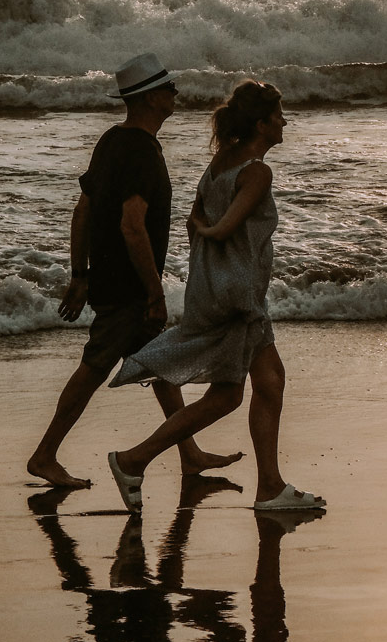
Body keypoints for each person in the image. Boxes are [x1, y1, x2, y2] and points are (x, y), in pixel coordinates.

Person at [106, 80, 324, 513]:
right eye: (279, 115)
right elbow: (221, 226)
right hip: (238, 293)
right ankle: (133, 459)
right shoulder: (258, 171)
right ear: (262, 124)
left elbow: (194, 221)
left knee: (269, 381)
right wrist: (214, 234)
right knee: (228, 395)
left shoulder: (219, 163)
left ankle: (270, 486)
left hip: (214, 287)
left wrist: (206, 240)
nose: (285, 121)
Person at [27, 52, 243, 489]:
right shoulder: (141, 152)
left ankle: (190, 453)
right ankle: (44, 455)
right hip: (127, 288)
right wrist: (153, 292)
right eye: (168, 89)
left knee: (160, 364)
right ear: (149, 99)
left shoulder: (112, 140)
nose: (175, 95)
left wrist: (80, 274)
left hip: (108, 278)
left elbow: (82, 210)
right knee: (94, 367)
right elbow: (132, 226)